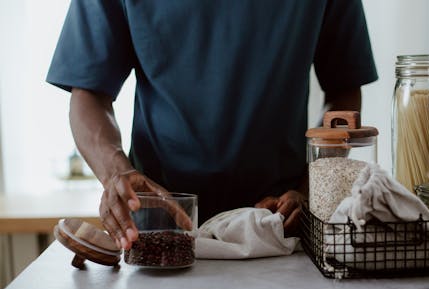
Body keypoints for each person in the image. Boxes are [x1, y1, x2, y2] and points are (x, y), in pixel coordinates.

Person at [47, 0, 378, 250]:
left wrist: (311, 189)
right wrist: (115, 172)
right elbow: (89, 92)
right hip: (161, 223)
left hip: (280, 224)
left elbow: (344, 89)